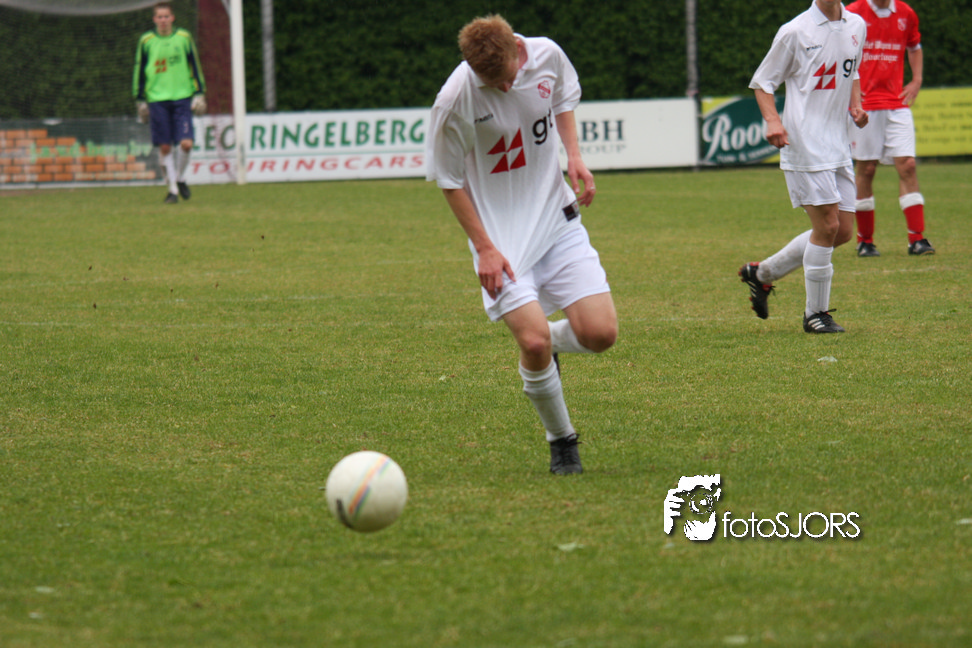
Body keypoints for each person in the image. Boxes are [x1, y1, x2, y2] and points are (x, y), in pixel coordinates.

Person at [426, 15, 618, 474]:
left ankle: (551, 346)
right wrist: (484, 249)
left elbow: (563, 99)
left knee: (601, 335)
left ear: (518, 48)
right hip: (501, 241)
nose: (505, 87)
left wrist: (574, 155)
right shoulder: (454, 100)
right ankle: (562, 441)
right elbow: (449, 181)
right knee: (531, 340)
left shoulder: (547, 54)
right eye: (493, 83)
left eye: (509, 76)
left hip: (556, 220)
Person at [739, 0, 868, 333]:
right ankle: (815, 315)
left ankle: (761, 274)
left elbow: (852, 71)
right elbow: (762, 83)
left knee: (842, 231)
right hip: (805, 144)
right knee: (827, 226)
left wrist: (856, 105)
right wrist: (773, 121)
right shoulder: (795, 31)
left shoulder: (857, 25)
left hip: (838, 144)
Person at [847, 0, 934, 257]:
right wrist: (849, 92)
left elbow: (914, 47)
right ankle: (865, 241)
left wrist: (917, 79)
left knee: (908, 165)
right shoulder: (853, 13)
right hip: (865, 104)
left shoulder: (906, 13)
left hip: (897, 103)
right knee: (866, 168)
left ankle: (917, 239)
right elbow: (838, 52)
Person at [133, 2, 206, 204]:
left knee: (186, 144)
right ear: (154, 19)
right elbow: (139, 70)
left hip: (182, 97)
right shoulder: (146, 41)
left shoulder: (183, 37)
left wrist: (199, 92)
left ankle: (180, 178)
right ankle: (172, 190)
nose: (163, 20)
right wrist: (139, 98)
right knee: (165, 147)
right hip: (157, 99)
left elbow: (194, 65)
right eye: (160, 17)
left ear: (172, 18)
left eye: (166, 16)